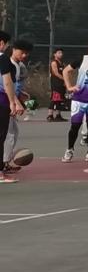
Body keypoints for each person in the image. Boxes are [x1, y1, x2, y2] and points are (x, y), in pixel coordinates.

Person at [1, 36, 32, 177]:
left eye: (26, 53)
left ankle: (5, 162)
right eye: (22, 52)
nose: (24, 55)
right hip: (5, 101)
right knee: (8, 135)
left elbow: (13, 85)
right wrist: (16, 103)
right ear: (13, 49)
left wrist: (20, 93)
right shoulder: (8, 63)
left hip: (9, 100)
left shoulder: (17, 65)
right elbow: (6, 85)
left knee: (13, 132)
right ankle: (4, 163)